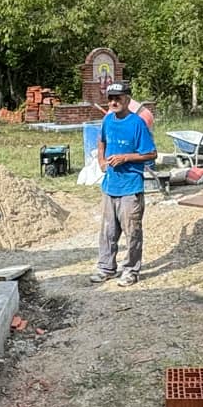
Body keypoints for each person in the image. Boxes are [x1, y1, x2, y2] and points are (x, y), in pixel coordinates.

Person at [90, 81, 156, 286]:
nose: (113, 102)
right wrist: (101, 160)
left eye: (118, 98)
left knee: (132, 231)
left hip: (131, 187)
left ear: (127, 99)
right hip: (110, 186)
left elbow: (152, 153)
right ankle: (106, 267)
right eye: (110, 98)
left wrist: (125, 158)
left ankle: (131, 270)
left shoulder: (137, 124)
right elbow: (101, 140)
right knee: (108, 232)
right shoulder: (108, 120)